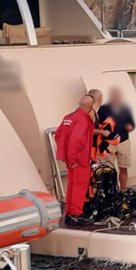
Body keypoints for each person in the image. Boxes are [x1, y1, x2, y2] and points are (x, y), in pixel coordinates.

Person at [54, 95, 95, 226]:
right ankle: (76, 214)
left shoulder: (69, 117)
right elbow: (75, 141)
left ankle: (70, 212)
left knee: (72, 185)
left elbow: (58, 135)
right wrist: (73, 159)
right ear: (91, 106)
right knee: (79, 186)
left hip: (71, 158)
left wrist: (66, 156)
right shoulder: (82, 120)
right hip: (79, 160)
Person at [96, 86, 136, 189]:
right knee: (108, 169)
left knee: (124, 168)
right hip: (108, 143)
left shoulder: (125, 109)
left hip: (123, 142)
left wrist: (129, 127)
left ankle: (123, 190)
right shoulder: (103, 109)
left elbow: (131, 125)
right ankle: (111, 191)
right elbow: (98, 125)